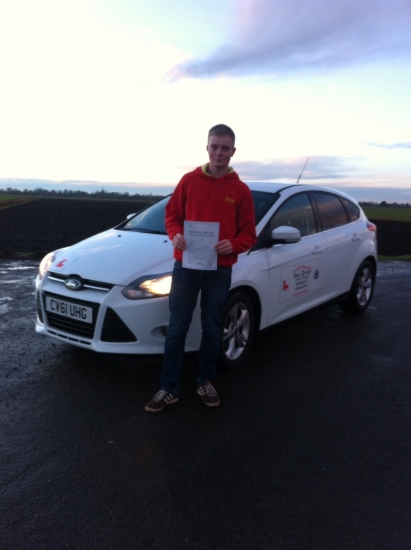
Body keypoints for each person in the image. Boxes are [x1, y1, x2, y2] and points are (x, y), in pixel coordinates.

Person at [145, 124, 257, 412]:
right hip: (186, 267)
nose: (219, 152)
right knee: (177, 328)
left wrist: (233, 244)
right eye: (214, 146)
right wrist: (176, 235)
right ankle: (168, 388)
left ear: (233, 151)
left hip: (220, 270)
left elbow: (249, 234)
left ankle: (206, 381)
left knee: (211, 327)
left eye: (225, 148)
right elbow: (172, 215)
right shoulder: (188, 181)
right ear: (207, 147)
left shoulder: (240, 191)